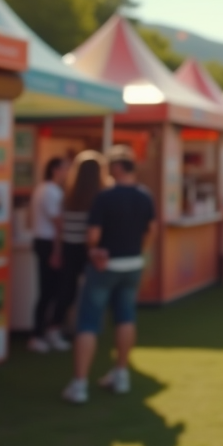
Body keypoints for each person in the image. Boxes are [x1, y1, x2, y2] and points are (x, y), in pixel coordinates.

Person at [62, 145, 155, 404]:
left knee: (88, 323)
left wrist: (94, 250)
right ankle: (121, 373)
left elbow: (93, 237)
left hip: (106, 267)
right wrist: (140, 253)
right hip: (132, 265)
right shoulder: (145, 196)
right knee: (126, 318)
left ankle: (79, 384)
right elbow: (151, 230)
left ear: (115, 168)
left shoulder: (104, 198)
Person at [51, 150, 107, 353]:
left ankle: (58, 328)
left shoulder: (68, 193)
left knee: (67, 289)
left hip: (69, 246)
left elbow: (60, 226)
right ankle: (86, 329)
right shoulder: (101, 195)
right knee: (90, 291)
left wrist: (57, 251)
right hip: (88, 248)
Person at [29, 156, 69, 353]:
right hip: (48, 244)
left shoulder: (48, 190)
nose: (68, 172)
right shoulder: (48, 191)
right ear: (55, 169)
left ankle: (49, 331)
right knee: (48, 291)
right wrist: (57, 251)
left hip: (47, 243)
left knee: (53, 291)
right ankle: (39, 334)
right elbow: (58, 224)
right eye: (64, 168)